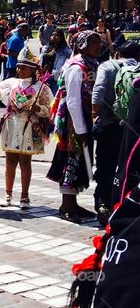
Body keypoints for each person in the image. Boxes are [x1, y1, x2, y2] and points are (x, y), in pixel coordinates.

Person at [0, 47, 54, 208]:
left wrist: (38, 109)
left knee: (25, 162)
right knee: (10, 161)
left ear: (33, 69)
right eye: (18, 66)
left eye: (23, 67)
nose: (19, 70)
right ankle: (7, 194)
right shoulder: (11, 82)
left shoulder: (42, 88)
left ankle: (24, 196)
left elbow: (51, 108)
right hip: (11, 125)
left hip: (29, 128)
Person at [47, 30, 103, 223]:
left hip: (83, 118)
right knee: (71, 159)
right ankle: (66, 205)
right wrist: (80, 130)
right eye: (94, 42)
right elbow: (72, 100)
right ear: (82, 45)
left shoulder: (91, 64)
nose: (99, 45)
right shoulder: (76, 67)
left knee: (79, 161)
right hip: (72, 121)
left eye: (99, 41)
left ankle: (73, 203)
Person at [90, 40, 140, 223]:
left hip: (108, 124)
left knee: (105, 165)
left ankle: (103, 203)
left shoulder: (108, 66)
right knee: (127, 168)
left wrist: (95, 114)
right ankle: (125, 205)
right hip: (132, 129)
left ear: (118, 53)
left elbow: (99, 90)